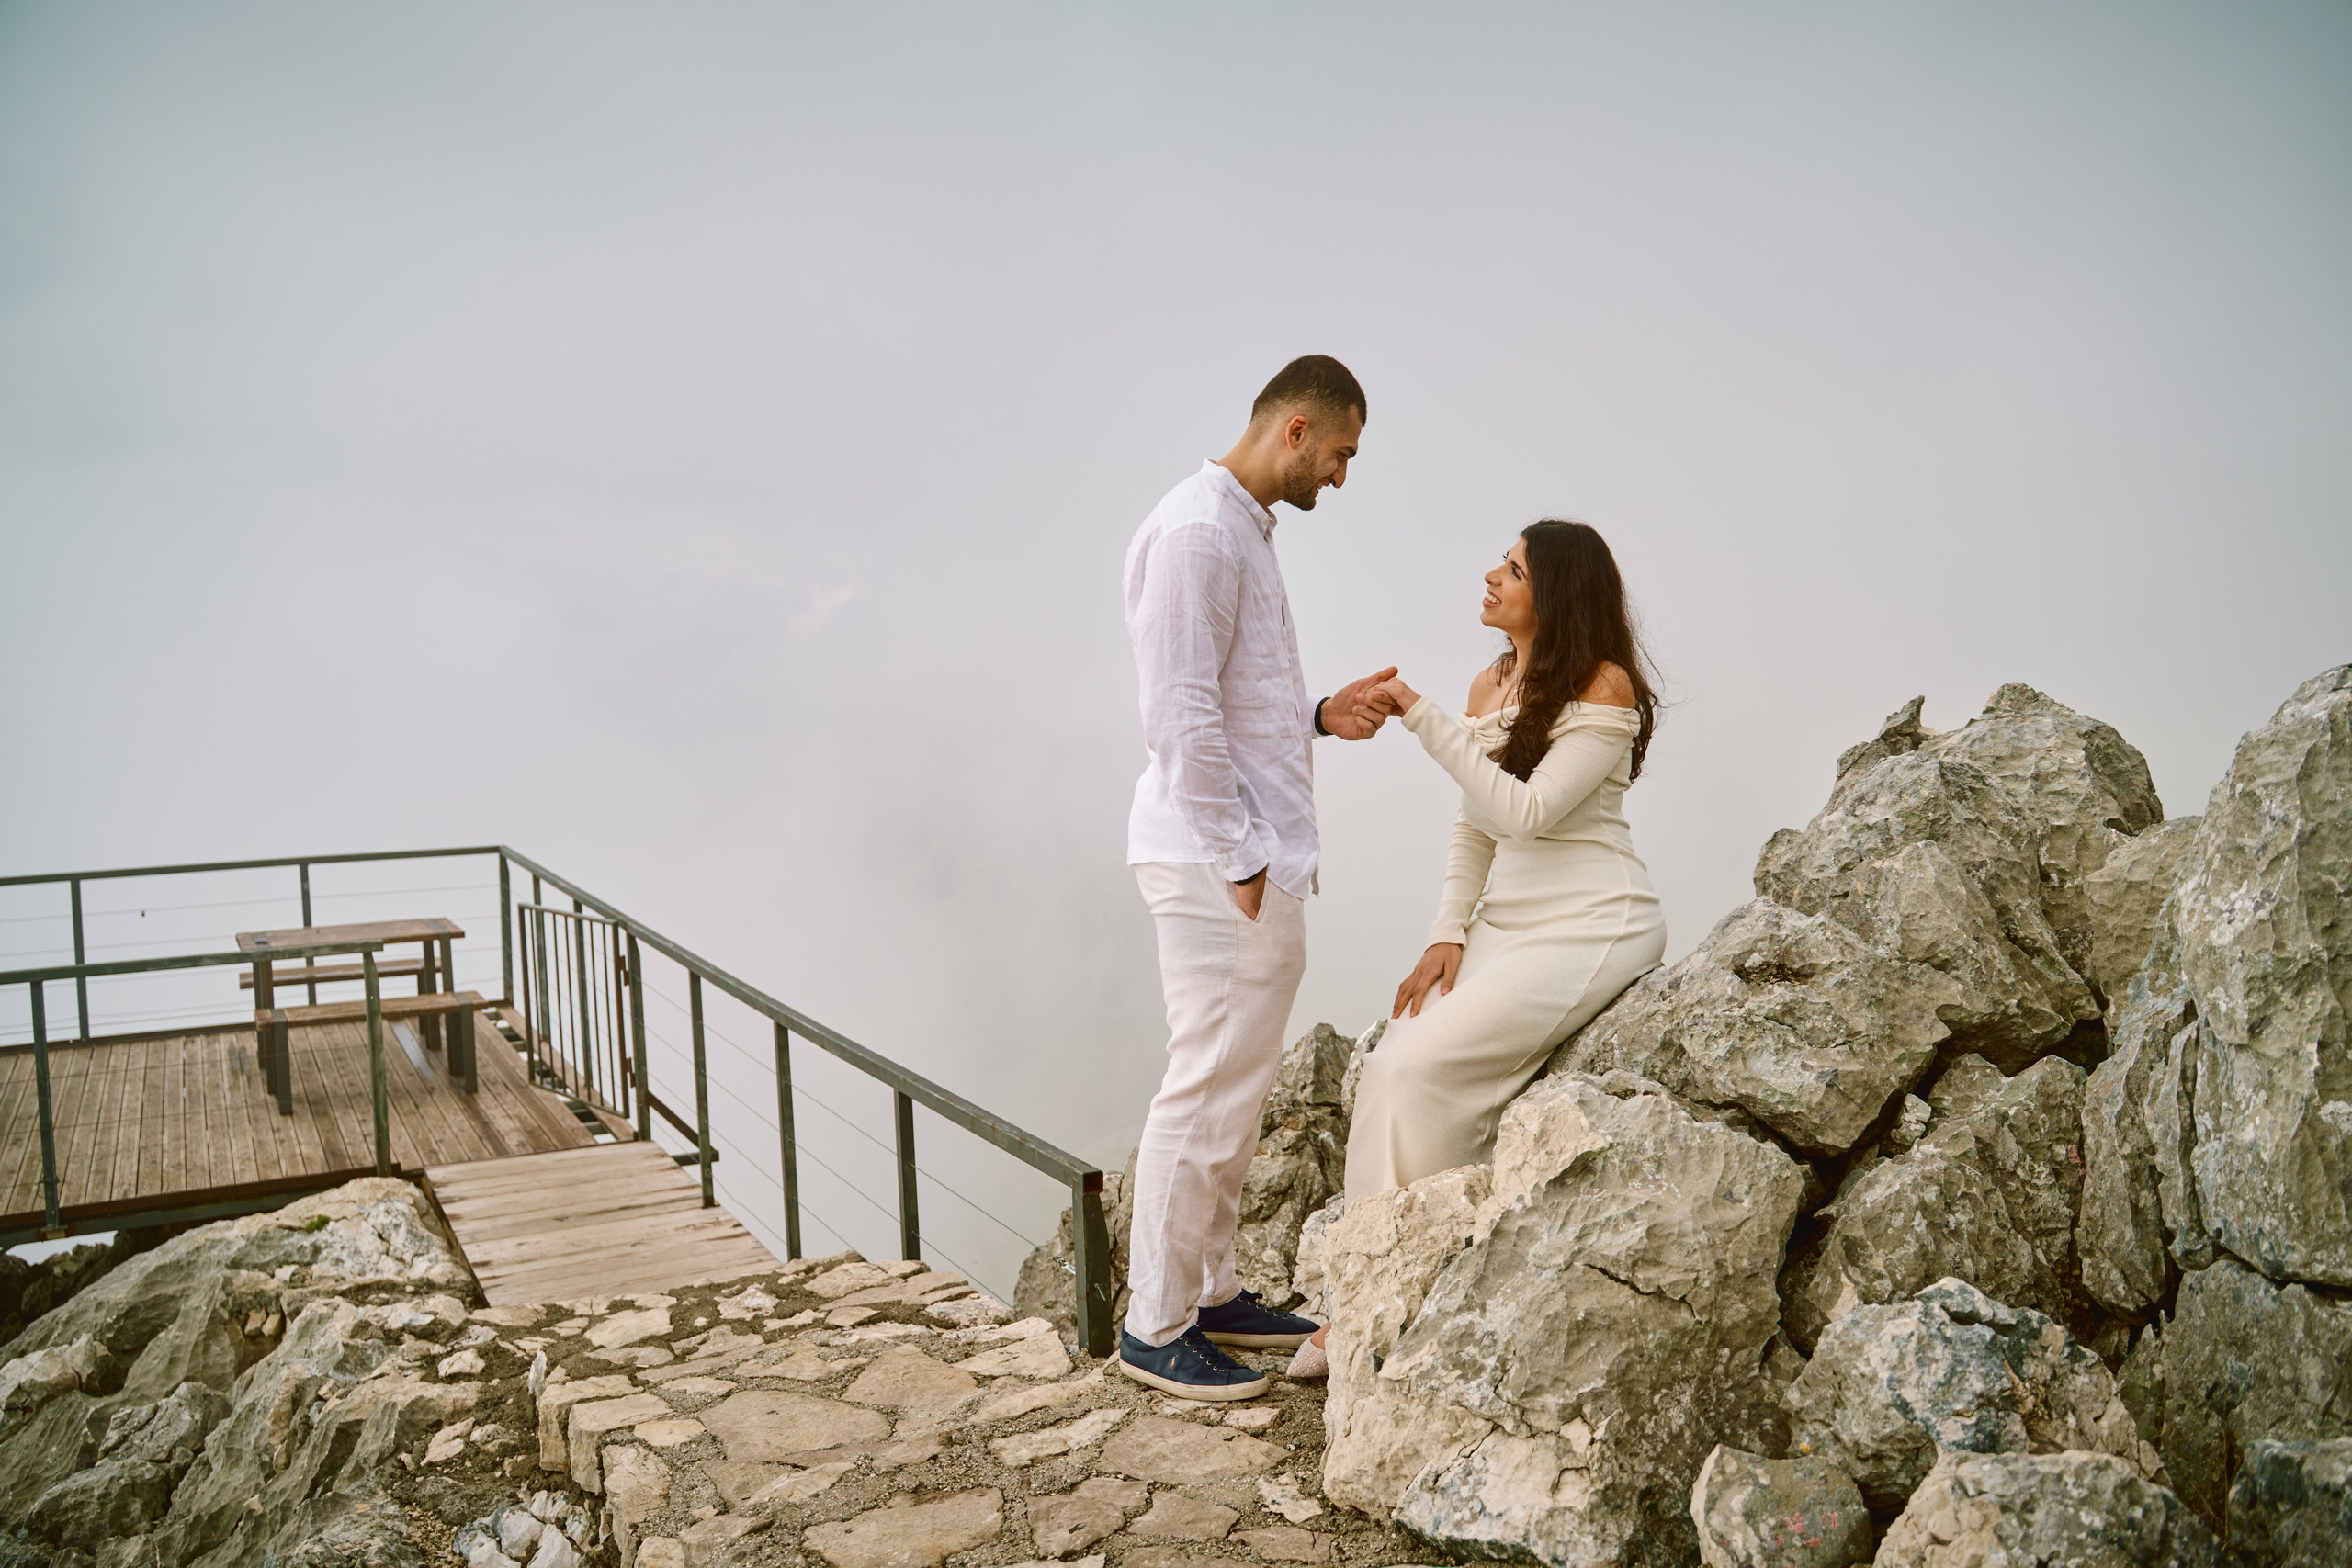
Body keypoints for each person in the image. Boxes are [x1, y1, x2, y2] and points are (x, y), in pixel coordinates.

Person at [1287, 518, 1667, 1379]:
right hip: (1504, 920)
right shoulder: (1490, 681)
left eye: (1515, 568)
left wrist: (1420, 716)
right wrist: (1444, 934)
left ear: (1557, 593)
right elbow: (1475, 824)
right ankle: (1363, 1292)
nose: (1492, 576)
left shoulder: (1604, 687)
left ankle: (1393, 1298)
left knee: (1426, 1075)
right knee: (1391, 1066)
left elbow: (1527, 812)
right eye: (1502, 561)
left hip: (1590, 919)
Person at [1119, 355, 1400, 1401]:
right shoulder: (1200, 532)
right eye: (1340, 453)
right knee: (1202, 1083)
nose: (1340, 475)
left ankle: (1213, 1292)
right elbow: (1179, 711)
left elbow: (1234, 700)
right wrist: (1240, 858)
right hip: (1214, 858)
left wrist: (1322, 713)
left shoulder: (1237, 524)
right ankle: (1153, 1327)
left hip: (1241, 852)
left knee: (1236, 1086)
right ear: (1295, 429)